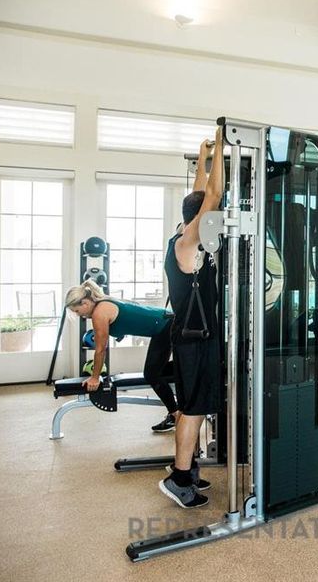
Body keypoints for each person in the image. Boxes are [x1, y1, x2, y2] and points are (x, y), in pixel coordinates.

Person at [159, 130, 223, 508]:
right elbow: (211, 196)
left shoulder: (181, 235)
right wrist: (222, 140)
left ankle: (186, 468)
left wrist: (204, 157)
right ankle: (180, 479)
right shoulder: (189, 242)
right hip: (195, 340)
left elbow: (200, 193)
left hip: (190, 337)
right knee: (195, 409)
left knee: (188, 407)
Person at [64, 280, 178, 433]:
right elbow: (129, 313)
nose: (79, 315)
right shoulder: (105, 302)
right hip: (166, 323)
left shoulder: (99, 313)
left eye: (77, 311)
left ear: (85, 302)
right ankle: (190, 373)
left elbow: (100, 350)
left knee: (152, 374)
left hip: (165, 326)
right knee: (158, 371)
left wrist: (95, 378)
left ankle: (176, 414)